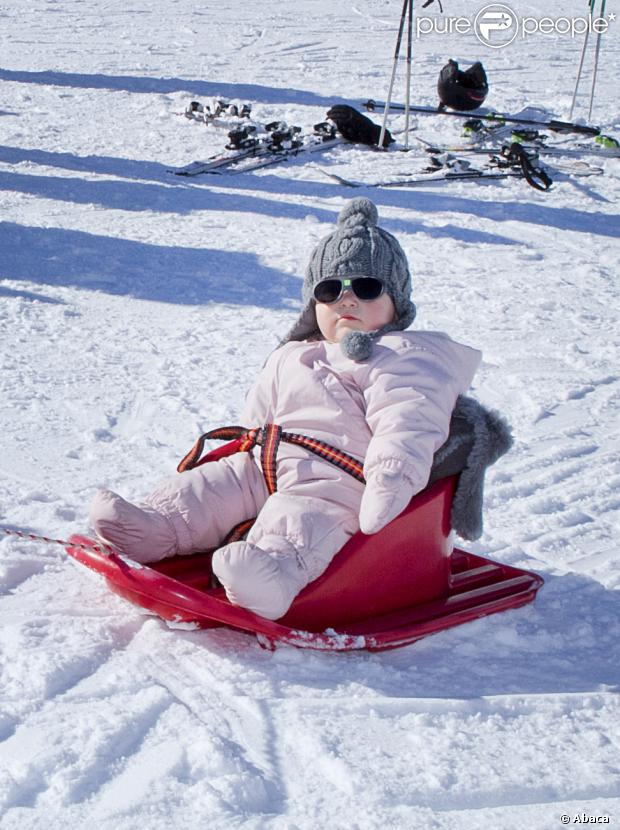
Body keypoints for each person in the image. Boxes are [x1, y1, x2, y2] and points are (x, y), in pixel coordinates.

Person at [90, 198, 481, 620]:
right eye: (331, 289)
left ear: (396, 302)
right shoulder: (294, 354)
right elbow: (257, 418)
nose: (347, 299)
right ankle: (153, 528)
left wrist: (390, 479)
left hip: (337, 480)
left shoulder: (402, 355)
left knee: (300, 519)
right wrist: (243, 451)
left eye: (366, 287)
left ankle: (270, 574)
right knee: (212, 486)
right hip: (267, 462)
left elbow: (409, 420)